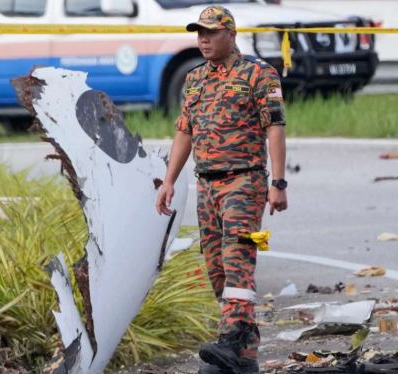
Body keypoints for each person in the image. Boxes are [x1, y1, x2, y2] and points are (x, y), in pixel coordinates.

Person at [155, 5, 288, 374]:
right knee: (216, 267)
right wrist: (169, 180)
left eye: (211, 32)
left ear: (231, 35)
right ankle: (244, 353)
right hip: (207, 184)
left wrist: (278, 182)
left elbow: (275, 127)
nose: (203, 39)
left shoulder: (259, 74)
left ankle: (229, 340)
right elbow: (185, 130)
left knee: (238, 260)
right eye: (199, 32)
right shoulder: (195, 79)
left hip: (244, 181)